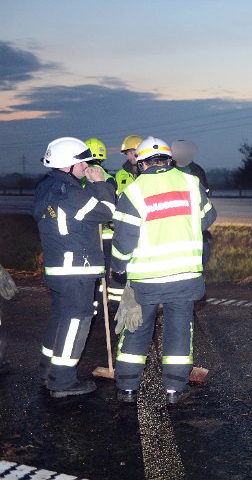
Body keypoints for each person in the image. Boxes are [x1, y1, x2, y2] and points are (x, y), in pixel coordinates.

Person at [111, 136, 216, 404]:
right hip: (184, 276)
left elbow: (123, 238)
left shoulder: (133, 191)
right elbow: (208, 217)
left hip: (145, 279)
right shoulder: (191, 183)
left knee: (135, 329)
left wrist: (118, 267)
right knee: (180, 330)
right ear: (169, 160)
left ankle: (127, 389)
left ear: (142, 164)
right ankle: (174, 390)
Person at [32, 137, 116, 397]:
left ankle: (48, 370)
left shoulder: (48, 188)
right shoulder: (69, 193)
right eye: (82, 162)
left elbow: (82, 213)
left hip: (59, 269)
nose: (85, 166)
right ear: (68, 165)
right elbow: (106, 211)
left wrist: (88, 186)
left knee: (60, 319)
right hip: (76, 270)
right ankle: (63, 380)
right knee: (76, 322)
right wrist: (101, 183)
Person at [84, 137, 124, 308]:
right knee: (109, 271)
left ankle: (93, 305)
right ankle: (112, 306)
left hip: (89, 234)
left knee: (90, 271)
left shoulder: (80, 177)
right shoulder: (109, 178)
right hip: (109, 235)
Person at [172, 140, 212, 267]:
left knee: (200, 258)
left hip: (193, 221)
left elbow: (205, 196)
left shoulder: (197, 171)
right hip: (174, 221)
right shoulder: (169, 170)